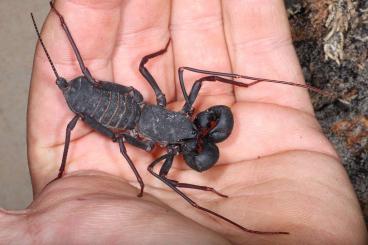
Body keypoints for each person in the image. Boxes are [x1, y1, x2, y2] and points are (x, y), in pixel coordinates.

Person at [1, 1, 366, 244]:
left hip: (136, 111)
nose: (201, 126)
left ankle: (252, 84)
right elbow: (133, 153)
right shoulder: (147, 143)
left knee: (191, 81)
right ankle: (64, 25)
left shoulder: (171, 135)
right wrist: (146, 180)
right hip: (117, 112)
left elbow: (155, 71)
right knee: (118, 126)